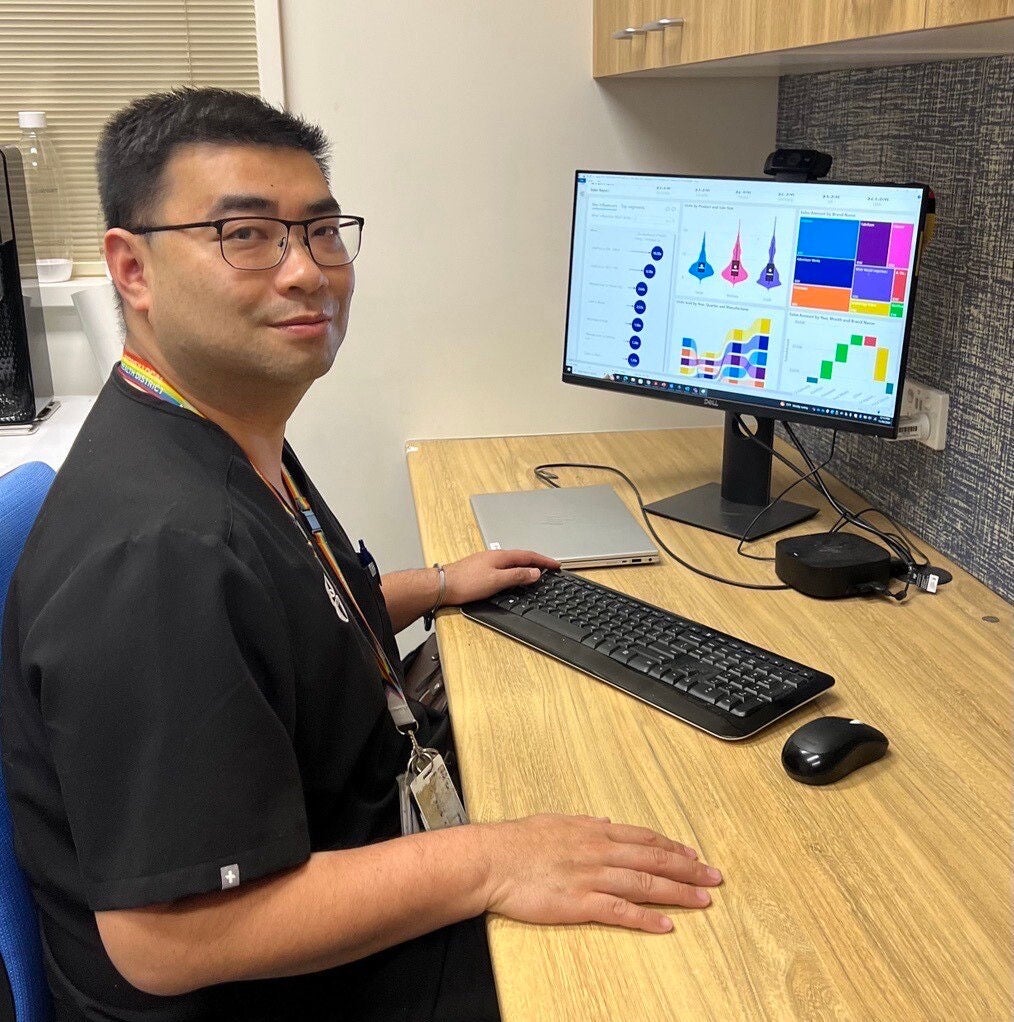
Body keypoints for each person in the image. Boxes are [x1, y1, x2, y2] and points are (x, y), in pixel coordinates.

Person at [0, 88, 723, 1022]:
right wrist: (494, 857)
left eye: (323, 230)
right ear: (130, 268)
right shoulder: (160, 553)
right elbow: (167, 941)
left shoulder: (214, 428)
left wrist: (432, 587)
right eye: (246, 235)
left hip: (333, 871)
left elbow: (277, 623)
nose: (307, 272)